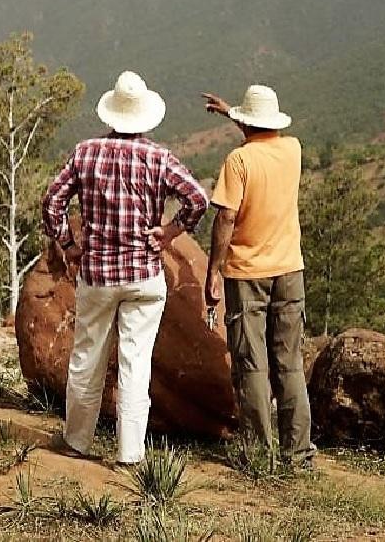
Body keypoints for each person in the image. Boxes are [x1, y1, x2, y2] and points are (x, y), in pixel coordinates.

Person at [41, 71, 208, 465]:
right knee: (136, 362)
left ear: (111, 114)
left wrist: (69, 246)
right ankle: (131, 452)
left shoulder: (85, 153)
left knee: (87, 357)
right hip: (143, 276)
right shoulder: (158, 158)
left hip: (97, 275)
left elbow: (52, 204)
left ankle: (77, 441)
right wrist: (168, 232)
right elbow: (197, 199)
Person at [201, 84, 315, 469]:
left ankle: (257, 453)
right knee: (290, 363)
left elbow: (226, 217)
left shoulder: (237, 162)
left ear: (246, 122)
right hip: (290, 270)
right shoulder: (293, 150)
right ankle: (297, 453)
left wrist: (213, 270)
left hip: (248, 273)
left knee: (252, 363)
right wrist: (231, 112)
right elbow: (261, 139)